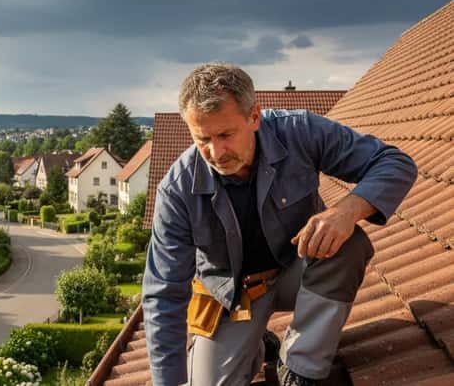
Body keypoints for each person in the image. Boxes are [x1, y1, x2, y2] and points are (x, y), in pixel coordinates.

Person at [142, 64, 417, 386]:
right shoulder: (176, 190)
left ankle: (301, 367)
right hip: (233, 296)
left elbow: (394, 163)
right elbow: (163, 294)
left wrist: (345, 212)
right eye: (203, 138)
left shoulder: (299, 131)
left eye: (226, 135)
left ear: (254, 117)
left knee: (348, 243)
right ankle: (256, 343)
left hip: (300, 272)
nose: (216, 152)